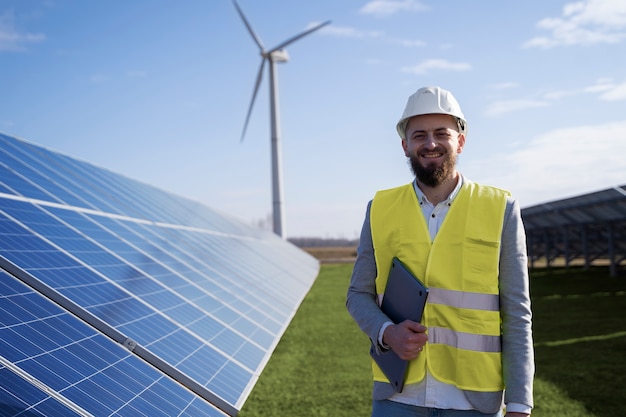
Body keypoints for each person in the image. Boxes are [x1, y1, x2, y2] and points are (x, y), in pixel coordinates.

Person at [346, 86, 534, 417]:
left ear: (460, 141)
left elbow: (517, 313)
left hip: (474, 403)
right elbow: (357, 295)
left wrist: (520, 403)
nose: (430, 144)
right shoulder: (380, 208)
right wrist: (387, 333)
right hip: (397, 398)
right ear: (405, 146)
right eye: (419, 135)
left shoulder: (500, 208)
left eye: (440, 134)